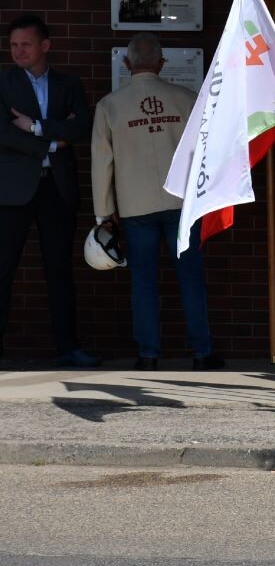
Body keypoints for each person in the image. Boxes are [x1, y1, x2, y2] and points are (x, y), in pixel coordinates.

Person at [91, 33, 222, 371]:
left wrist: (104, 214)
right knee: (191, 280)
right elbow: (204, 153)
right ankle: (202, 352)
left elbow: (102, 163)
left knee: (144, 283)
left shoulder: (109, 106)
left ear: (126, 63)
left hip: (135, 208)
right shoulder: (187, 99)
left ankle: (148, 354)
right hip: (182, 205)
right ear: (162, 64)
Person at [0, 14, 98, 368]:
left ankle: (67, 347)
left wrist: (37, 126)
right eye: (13, 45)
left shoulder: (69, 85)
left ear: (45, 46)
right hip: (12, 193)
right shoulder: (3, 83)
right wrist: (53, 143)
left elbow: (84, 127)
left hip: (57, 189)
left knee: (59, 269)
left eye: (25, 44)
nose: (18, 51)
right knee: (3, 268)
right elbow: (5, 134)